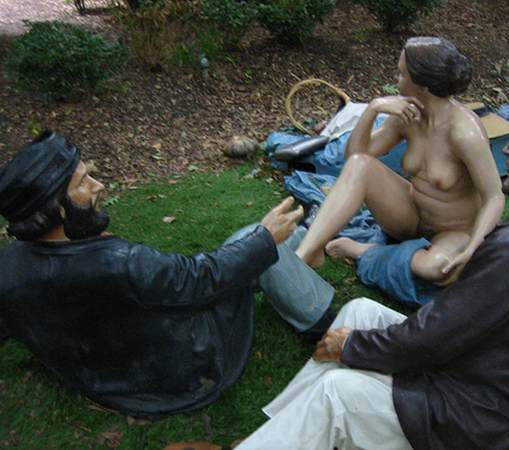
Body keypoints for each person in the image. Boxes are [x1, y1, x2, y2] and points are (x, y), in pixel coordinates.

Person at [236, 97, 509, 450]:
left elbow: (438, 336)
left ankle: (298, 427)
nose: (505, 151)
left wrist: (352, 346)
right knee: (360, 311)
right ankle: (285, 427)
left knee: (337, 394)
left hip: (476, 415)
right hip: (500, 372)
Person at [0, 130, 334, 418]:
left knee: (263, 246)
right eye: (83, 182)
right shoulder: (122, 262)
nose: (99, 186)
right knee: (252, 239)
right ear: (58, 208)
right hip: (185, 372)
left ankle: (304, 238)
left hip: (108, 383)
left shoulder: (8, 268)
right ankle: (327, 325)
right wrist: (263, 238)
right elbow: (200, 279)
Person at [296, 36, 505, 287]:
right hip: (411, 218)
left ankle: (364, 250)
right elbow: (353, 157)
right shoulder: (407, 116)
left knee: (437, 269)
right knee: (361, 165)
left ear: (423, 84)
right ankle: (306, 252)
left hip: (455, 231)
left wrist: (473, 247)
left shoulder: (464, 132)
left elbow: (495, 196)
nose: (396, 80)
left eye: (401, 74)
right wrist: (373, 109)